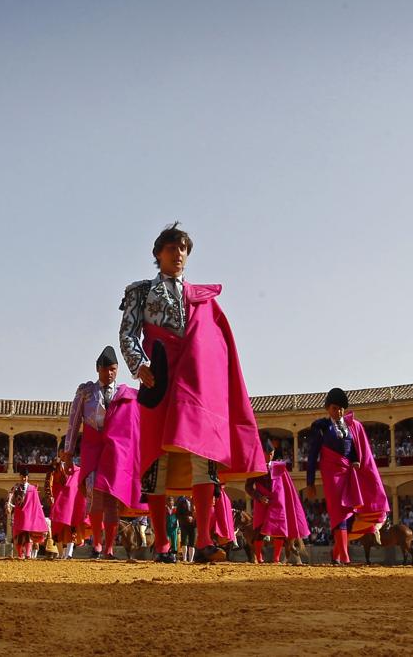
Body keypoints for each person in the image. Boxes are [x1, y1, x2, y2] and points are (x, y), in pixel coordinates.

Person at [120, 223, 266, 563]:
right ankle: (162, 545)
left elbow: (214, 343)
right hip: (159, 375)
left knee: (205, 455)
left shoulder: (200, 298)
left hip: (196, 381)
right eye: (172, 248)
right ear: (158, 254)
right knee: (157, 459)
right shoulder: (140, 292)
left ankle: (203, 541)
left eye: (183, 249)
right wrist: (139, 365)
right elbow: (128, 334)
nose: (179, 254)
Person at [60, 346, 145, 560]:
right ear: (98, 369)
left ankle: (108, 548)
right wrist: (68, 454)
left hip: (115, 452)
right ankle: (97, 545)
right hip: (92, 449)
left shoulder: (127, 395)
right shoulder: (86, 392)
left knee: (112, 500)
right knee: (96, 498)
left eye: (113, 369)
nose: (110, 373)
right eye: (106, 369)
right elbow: (73, 422)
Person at [304, 388, 389, 565]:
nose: (339, 411)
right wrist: (310, 482)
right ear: (328, 408)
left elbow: (354, 449)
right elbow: (312, 456)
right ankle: (345, 558)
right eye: (335, 408)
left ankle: (336, 556)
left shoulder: (350, 427)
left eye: (341, 408)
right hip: (332, 474)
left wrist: (356, 461)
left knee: (350, 517)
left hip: (349, 473)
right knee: (340, 513)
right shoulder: (321, 427)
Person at [246, 438, 310, 564]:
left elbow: (286, 488)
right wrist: (259, 497)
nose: (269, 456)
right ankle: (259, 558)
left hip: (276, 503)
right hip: (262, 503)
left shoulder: (279, 467)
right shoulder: (255, 467)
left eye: (271, 453)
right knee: (259, 531)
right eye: (267, 453)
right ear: (262, 453)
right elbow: (248, 487)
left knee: (279, 530)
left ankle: (276, 558)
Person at [7, 468, 46, 560]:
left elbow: (36, 502)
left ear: (27, 477)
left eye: (25, 477)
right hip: (19, 514)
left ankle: (27, 554)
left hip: (28, 515)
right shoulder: (16, 487)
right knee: (19, 535)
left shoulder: (32, 489)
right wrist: (8, 503)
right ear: (20, 477)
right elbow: (10, 494)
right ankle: (20, 554)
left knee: (27, 534)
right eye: (22, 477)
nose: (23, 479)